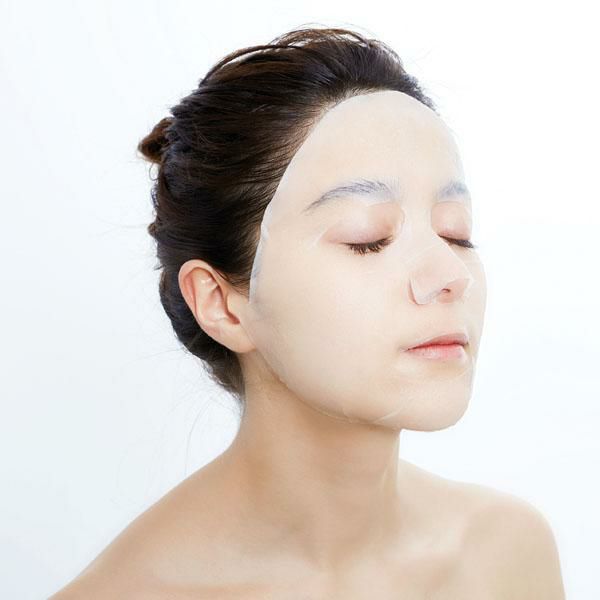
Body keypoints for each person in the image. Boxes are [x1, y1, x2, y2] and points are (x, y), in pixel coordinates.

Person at [51, 26, 565, 599]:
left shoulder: (506, 553)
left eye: (455, 232)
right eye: (367, 239)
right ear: (221, 303)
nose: (450, 274)